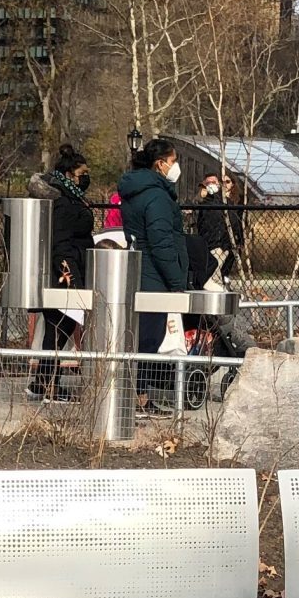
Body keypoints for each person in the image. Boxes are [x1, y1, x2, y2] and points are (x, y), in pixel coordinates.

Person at [116, 137, 189, 409]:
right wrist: (176, 279)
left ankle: (137, 394)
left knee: (141, 336)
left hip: (140, 270)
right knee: (149, 338)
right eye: (173, 161)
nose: (176, 166)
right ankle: (139, 396)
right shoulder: (156, 196)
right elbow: (161, 241)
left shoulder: (135, 192)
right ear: (160, 164)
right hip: (154, 276)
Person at [27, 145, 93, 403]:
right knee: (59, 329)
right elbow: (61, 245)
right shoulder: (63, 203)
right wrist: (69, 277)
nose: (85, 178)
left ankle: (43, 382)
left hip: (68, 269)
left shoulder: (68, 199)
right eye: (81, 173)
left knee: (56, 330)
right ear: (68, 174)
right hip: (64, 273)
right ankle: (49, 385)